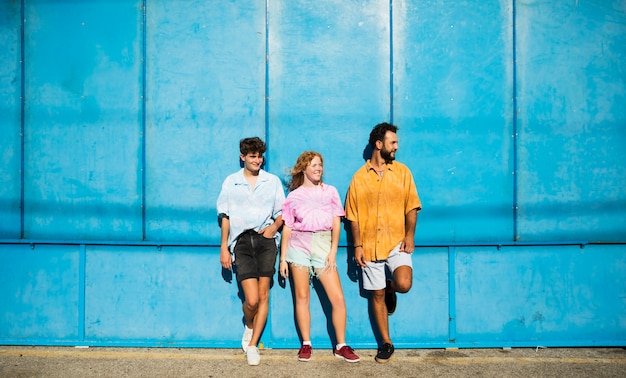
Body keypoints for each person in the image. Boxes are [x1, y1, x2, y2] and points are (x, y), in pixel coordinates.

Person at [344, 122, 422, 363]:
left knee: (404, 283)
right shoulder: (359, 178)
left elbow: (412, 207)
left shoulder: (402, 173)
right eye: (393, 142)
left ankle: (391, 288)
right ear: (379, 145)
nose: (396, 147)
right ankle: (386, 343)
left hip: (395, 243)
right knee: (375, 295)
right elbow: (353, 217)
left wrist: (410, 236)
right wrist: (357, 246)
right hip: (369, 246)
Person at [279, 151, 360, 363]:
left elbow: (336, 223)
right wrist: (282, 259)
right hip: (298, 246)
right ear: (304, 168)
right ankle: (306, 344)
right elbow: (287, 227)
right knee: (302, 297)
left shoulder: (330, 191)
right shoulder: (294, 196)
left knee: (338, 299)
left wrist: (333, 251)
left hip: (324, 245)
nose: (318, 168)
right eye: (314, 165)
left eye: (320, 165)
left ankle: (341, 345)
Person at [217, 137, 285, 366]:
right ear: (243, 157)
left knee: (264, 294)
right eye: (252, 156)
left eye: (259, 156)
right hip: (242, 242)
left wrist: (273, 228)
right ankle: (249, 323)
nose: (257, 160)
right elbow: (225, 216)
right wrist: (224, 248)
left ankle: (253, 345)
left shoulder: (272, 181)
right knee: (252, 299)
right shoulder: (231, 181)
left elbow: (283, 212)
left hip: (266, 241)